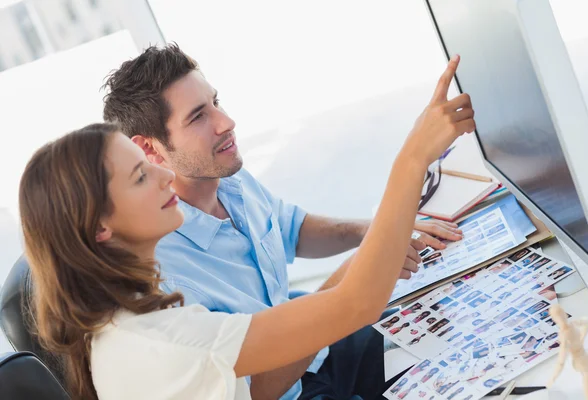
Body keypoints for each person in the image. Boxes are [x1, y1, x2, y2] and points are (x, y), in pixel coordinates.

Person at [20, 55, 474, 400]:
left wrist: (377, 235)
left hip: (316, 353)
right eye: (141, 175)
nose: (162, 179)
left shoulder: (137, 305)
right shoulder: (162, 335)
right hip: (290, 384)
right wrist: (412, 159)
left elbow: (296, 234)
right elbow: (352, 304)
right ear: (100, 227)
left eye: (214, 103)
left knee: (457, 332)